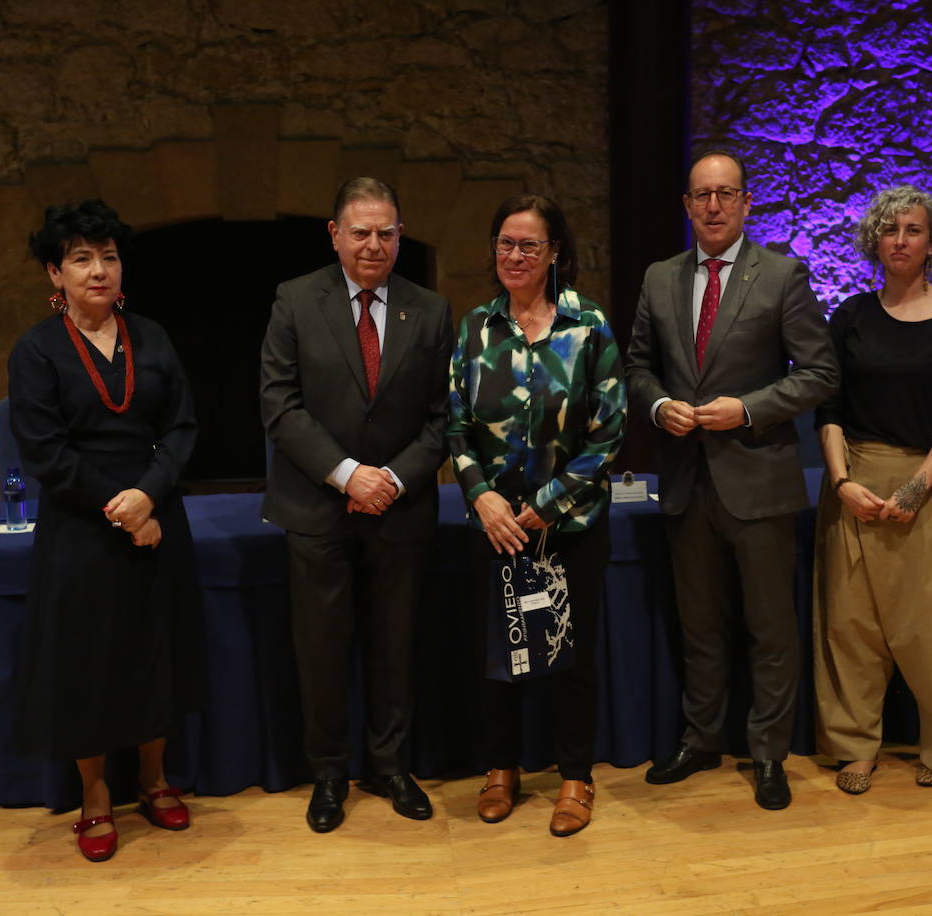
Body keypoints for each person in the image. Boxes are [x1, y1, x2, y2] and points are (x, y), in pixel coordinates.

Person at [625, 150, 839, 810]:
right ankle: (701, 738)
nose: (713, 206)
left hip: (761, 482)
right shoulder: (659, 279)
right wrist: (660, 407)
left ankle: (770, 752)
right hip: (687, 482)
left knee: (770, 628)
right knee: (700, 626)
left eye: (726, 194)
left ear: (747, 203)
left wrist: (747, 409)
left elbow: (820, 372)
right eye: (701, 195)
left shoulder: (782, 275)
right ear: (687, 206)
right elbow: (637, 368)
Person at [8, 200, 206, 862]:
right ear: (55, 274)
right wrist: (121, 510)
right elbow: (45, 452)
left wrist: (149, 497)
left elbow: (181, 428)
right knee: (85, 663)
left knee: (156, 650)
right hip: (81, 528)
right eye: (82, 259)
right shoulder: (35, 350)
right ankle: (95, 796)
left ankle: (153, 781)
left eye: (110, 257)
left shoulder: (151, 336)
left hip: (155, 513)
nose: (99, 270)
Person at [260, 177, 454, 833]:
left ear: (400, 236)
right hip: (318, 509)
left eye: (386, 233)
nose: (374, 245)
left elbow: (443, 418)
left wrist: (392, 480)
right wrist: (347, 476)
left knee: (396, 645)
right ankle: (328, 773)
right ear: (335, 235)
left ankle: (391, 766)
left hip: (399, 510)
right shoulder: (294, 300)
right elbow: (279, 407)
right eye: (361, 232)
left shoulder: (430, 310)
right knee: (322, 648)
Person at [448, 193, 626, 837]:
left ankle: (575, 776)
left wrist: (545, 507)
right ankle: (501, 768)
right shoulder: (474, 328)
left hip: (568, 527)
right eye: (505, 243)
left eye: (529, 245)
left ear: (555, 252)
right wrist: (482, 496)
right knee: (498, 653)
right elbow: (456, 427)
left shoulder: (591, 326)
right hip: (494, 528)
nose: (515, 256)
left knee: (570, 654)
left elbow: (609, 434)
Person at [812, 185, 932, 794]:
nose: (900, 241)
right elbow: (828, 408)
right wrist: (841, 482)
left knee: (931, 627)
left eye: (912, 230)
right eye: (889, 231)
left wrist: (915, 490)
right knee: (851, 626)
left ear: (931, 242)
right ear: (874, 241)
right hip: (855, 482)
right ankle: (855, 746)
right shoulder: (850, 318)